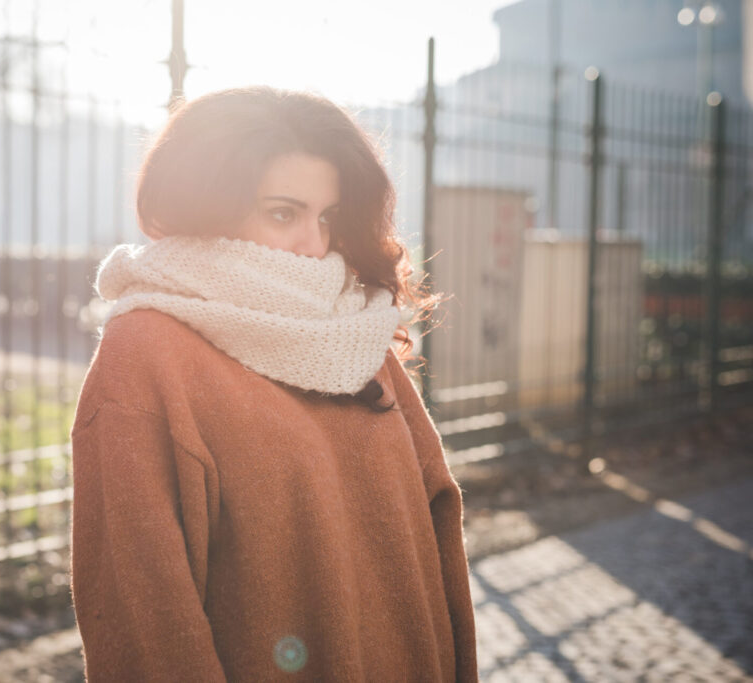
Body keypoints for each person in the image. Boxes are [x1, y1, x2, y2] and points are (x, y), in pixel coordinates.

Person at [69, 86, 477, 682]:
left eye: (328, 218)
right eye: (284, 213)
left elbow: (439, 534)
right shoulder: (148, 353)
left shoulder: (353, 330)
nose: (314, 247)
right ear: (207, 206)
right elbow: (145, 623)